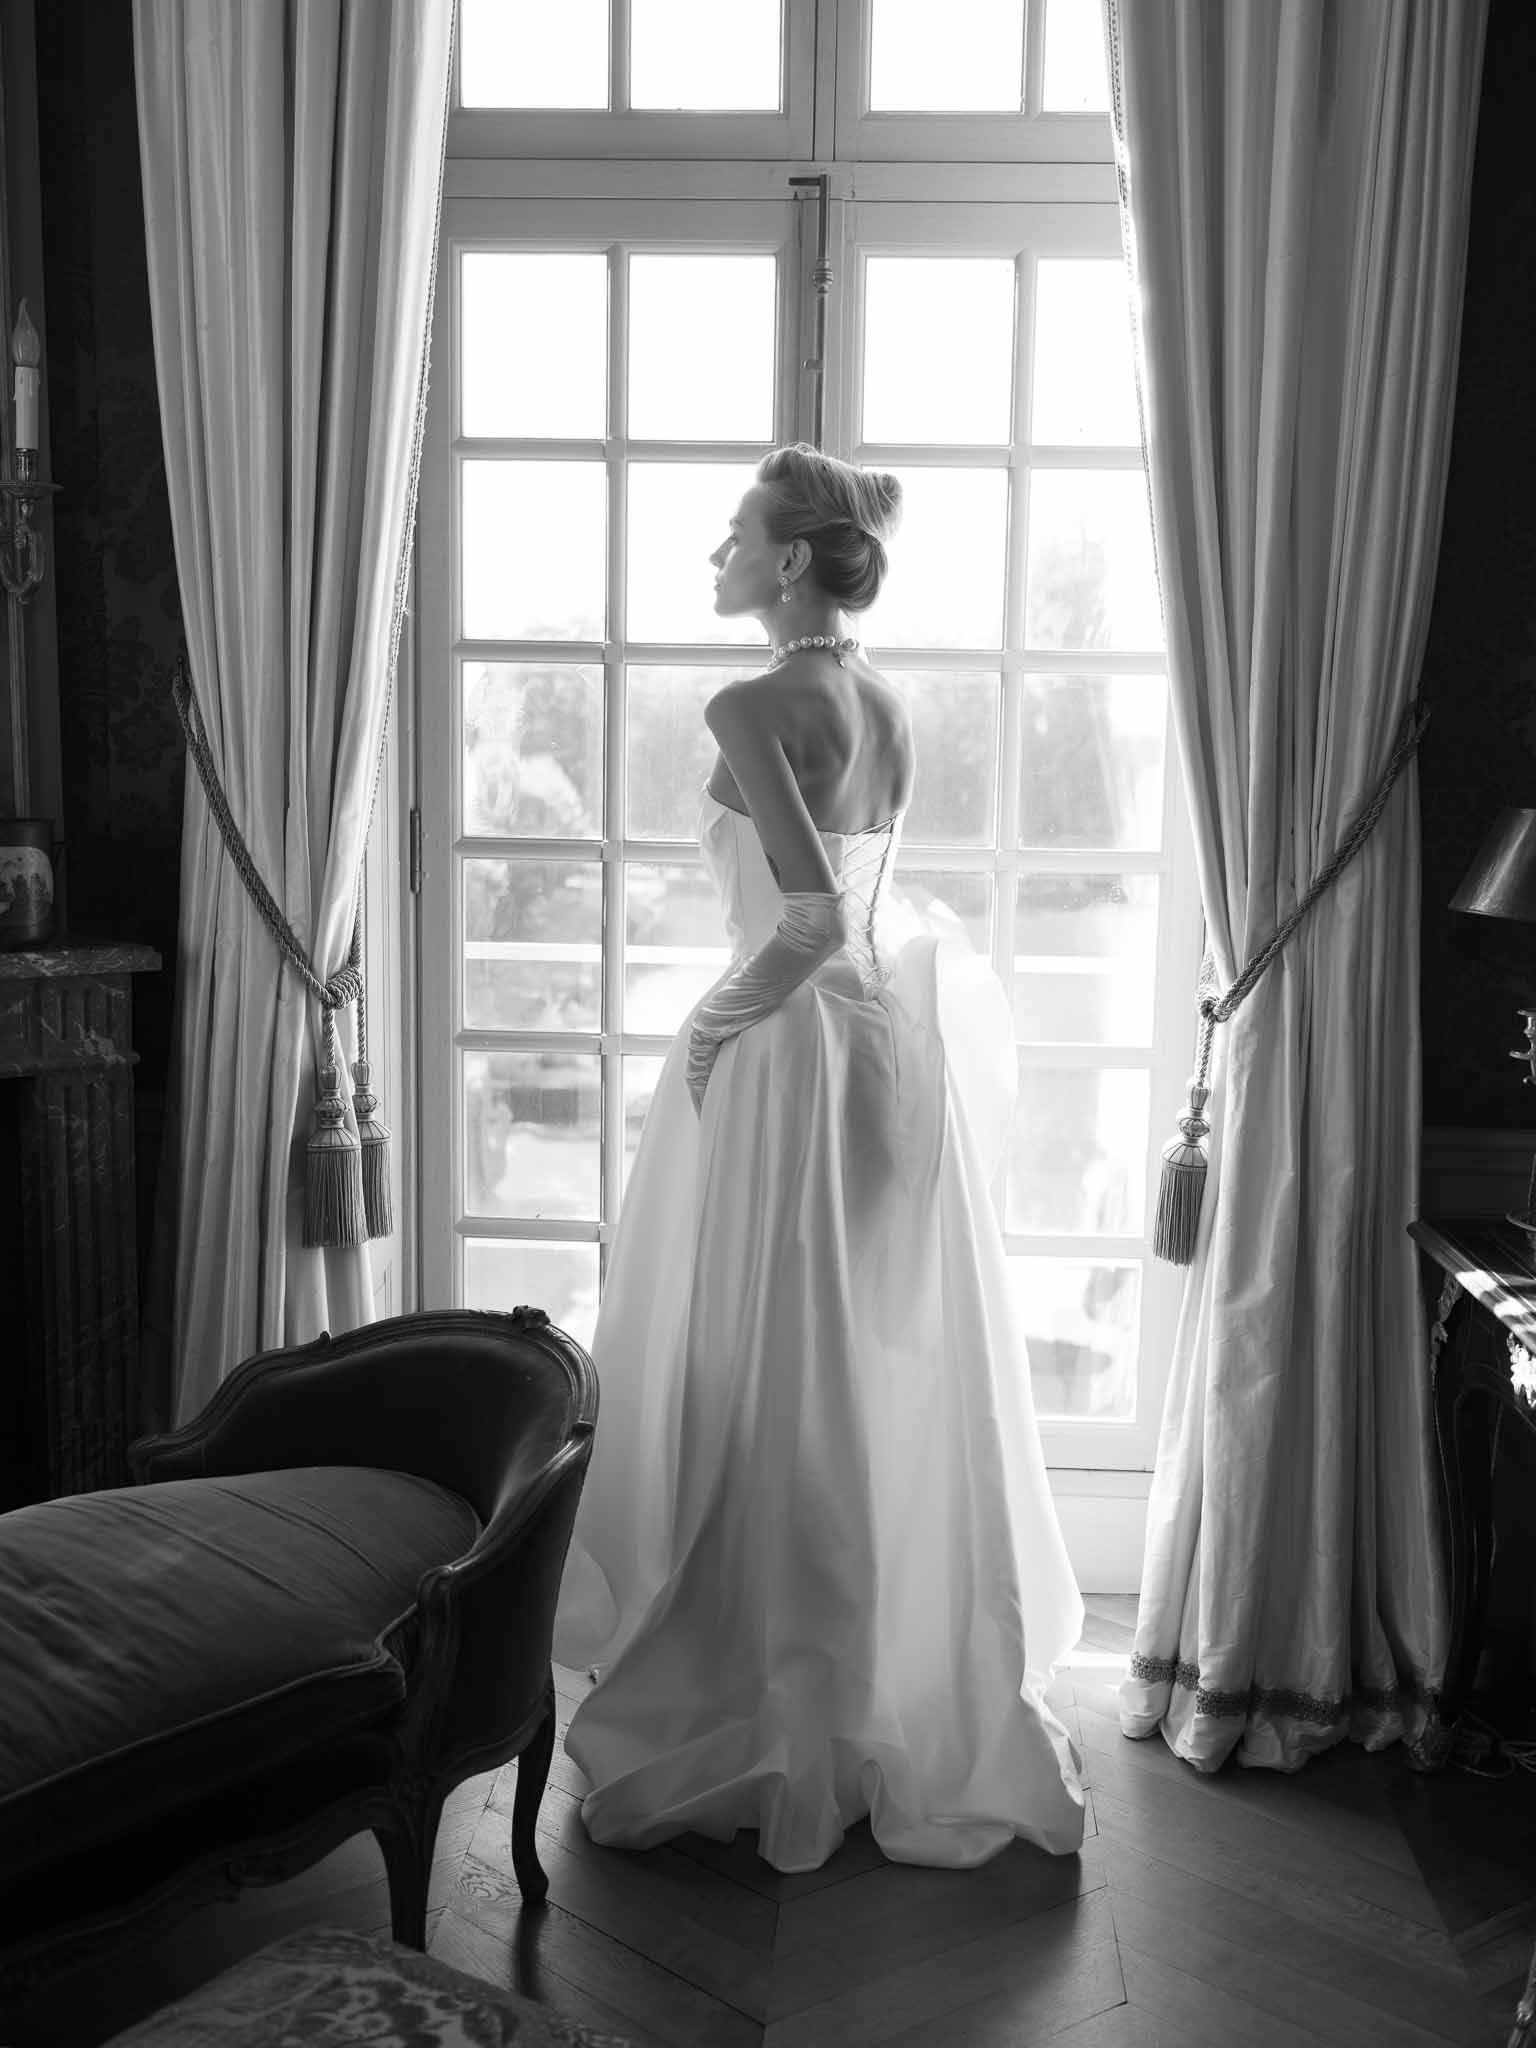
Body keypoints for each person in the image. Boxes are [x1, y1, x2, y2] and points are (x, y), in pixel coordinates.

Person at [551, 443, 1086, 1873]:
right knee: (862, 1364)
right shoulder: (888, 705)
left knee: (775, 1360)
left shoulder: (746, 700)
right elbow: (854, 908)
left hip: (790, 1053)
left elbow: (794, 918)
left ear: (791, 558)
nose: (714, 553)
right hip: (883, 1051)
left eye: (735, 532)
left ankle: (776, 1687)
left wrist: (712, 1034)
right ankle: (871, 1690)